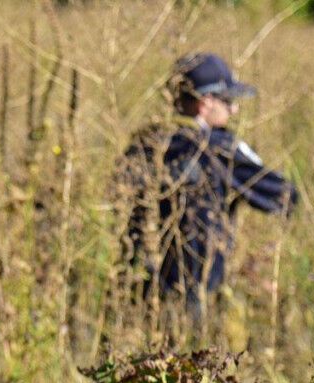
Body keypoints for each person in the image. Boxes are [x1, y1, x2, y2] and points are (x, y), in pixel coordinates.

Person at [115, 52, 299, 320]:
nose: (234, 110)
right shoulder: (219, 149)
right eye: (228, 101)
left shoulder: (144, 142)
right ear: (205, 103)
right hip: (194, 297)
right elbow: (284, 196)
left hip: (137, 289)